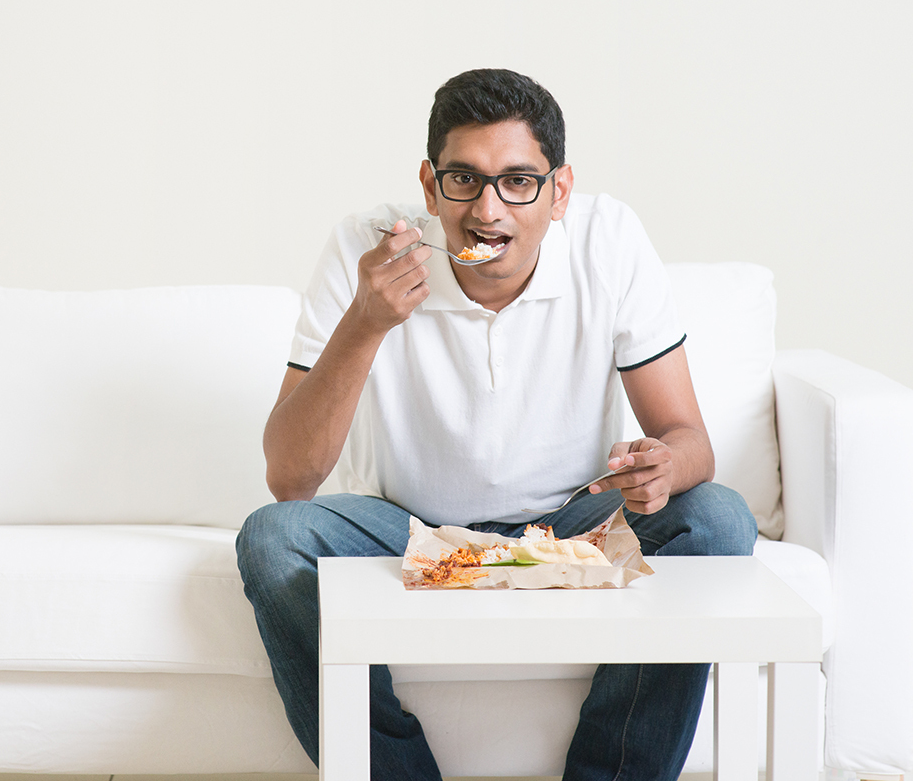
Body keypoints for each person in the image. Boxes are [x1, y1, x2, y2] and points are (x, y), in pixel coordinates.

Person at [236, 68, 758, 781]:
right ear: (429, 187)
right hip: (411, 533)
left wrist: (665, 465)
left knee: (719, 519)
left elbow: (689, 438)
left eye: (518, 181)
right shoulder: (367, 252)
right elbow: (289, 480)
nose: (488, 209)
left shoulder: (609, 241)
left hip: (572, 528)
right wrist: (367, 322)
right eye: (463, 180)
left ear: (560, 191)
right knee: (272, 538)